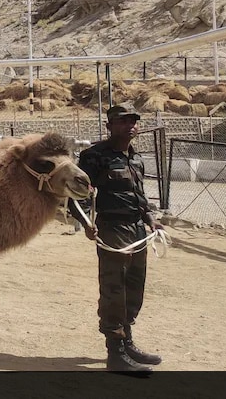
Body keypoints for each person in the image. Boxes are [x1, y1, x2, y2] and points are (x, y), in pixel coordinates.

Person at [69, 101, 164, 374]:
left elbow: (140, 197)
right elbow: (77, 196)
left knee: (134, 288)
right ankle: (116, 352)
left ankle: (128, 341)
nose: (129, 125)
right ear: (109, 125)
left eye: (133, 120)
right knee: (114, 290)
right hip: (112, 230)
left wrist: (151, 219)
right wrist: (86, 223)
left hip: (136, 231)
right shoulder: (94, 156)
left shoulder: (135, 158)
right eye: (122, 120)